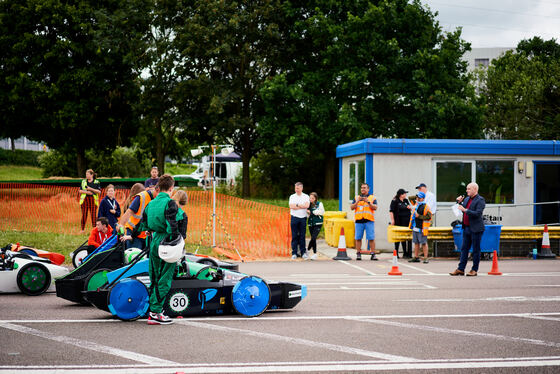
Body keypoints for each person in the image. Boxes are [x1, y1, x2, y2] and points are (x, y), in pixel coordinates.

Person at [138, 174, 181, 325]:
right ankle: (155, 312)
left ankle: (154, 310)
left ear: (158, 187)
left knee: (155, 277)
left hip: (153, 241)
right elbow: (172, 227)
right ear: (171, 188)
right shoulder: (170, 203)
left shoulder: (150, 204)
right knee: (165, 278)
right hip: (166, 242)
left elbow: (143, 225)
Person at [450, 182, 486, 276]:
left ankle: (474, 269)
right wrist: (458, 202)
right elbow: (460, 209)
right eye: (467, 189)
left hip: (476, 228)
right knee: (464, 249)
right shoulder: (466, 199)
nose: (467, 190)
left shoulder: (480, 200)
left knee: (475, 250)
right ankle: (460, 269)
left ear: (475, 189)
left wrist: (465, 210)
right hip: (466, 227)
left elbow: (477, 213)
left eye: (469, 189)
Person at [119, 183, 157, 250]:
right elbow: (138, 220)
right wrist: (131, 236)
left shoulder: (147, 199)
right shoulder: (140, 198)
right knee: (134, 255)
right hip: (134, 231)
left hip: (142, 233)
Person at [350, 183, 378, 260]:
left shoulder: (372, 198)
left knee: (371, 238)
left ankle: (373, 254)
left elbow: (375, 207)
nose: (363, 189)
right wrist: (357, 202)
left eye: (364, 188)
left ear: (368, 189)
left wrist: (368, 202)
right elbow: (352, 207)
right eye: (362, 188)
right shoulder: (356, 197)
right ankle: (358, 254)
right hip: (359, 221)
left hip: (369, 221)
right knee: (358, 238)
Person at [408, 192, 432, 263]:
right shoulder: (416, 204)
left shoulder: (426, 206)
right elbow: (410, 198)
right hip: (415, 227)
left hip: (422, 228)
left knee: (424, 243)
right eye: (417, 197)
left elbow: (429, 216)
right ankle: (416, 257)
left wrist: (419, 216)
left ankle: (425, 258)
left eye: (420, 197)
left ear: (423, 198)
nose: (418, 198)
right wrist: (416, 196)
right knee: (416, 243)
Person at [289, 182, 310, 260]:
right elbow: (291, 206)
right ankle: (294, 253)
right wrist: (301, 205)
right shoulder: (292, 196)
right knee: (294, 236)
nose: (296, 189)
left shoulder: (306, 196)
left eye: (297, 188)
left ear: (301, 188)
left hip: (303, 218)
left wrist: (297, 205)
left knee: (302, 236)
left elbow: (307, 206)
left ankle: (303, 253)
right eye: (295, 188)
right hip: (294, 218)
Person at [389, 188, 412, 258]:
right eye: (404, 193)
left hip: (407, 221)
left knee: (406, 237)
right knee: (398, 237)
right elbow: (391, 211)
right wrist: (392, 220)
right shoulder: (395, 201)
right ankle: (396, 252)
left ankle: (406, 253)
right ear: (401, 195)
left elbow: (409, 207)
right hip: (398, 220)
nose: (405, 195)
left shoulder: (406, 200)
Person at [306, 192, 325, 261]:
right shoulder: (308, 205)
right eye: (310, 198)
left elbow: (322, 212)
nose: (311, 199)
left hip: (318, 223)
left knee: (314, 237)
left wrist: (313, 212)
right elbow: (307, 215)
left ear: (315, 198)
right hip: (310, 223)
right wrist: (308, 213)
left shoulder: (319, 204)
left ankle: (307, 250)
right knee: (313, 239)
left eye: (312, 198)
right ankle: (314, 254)